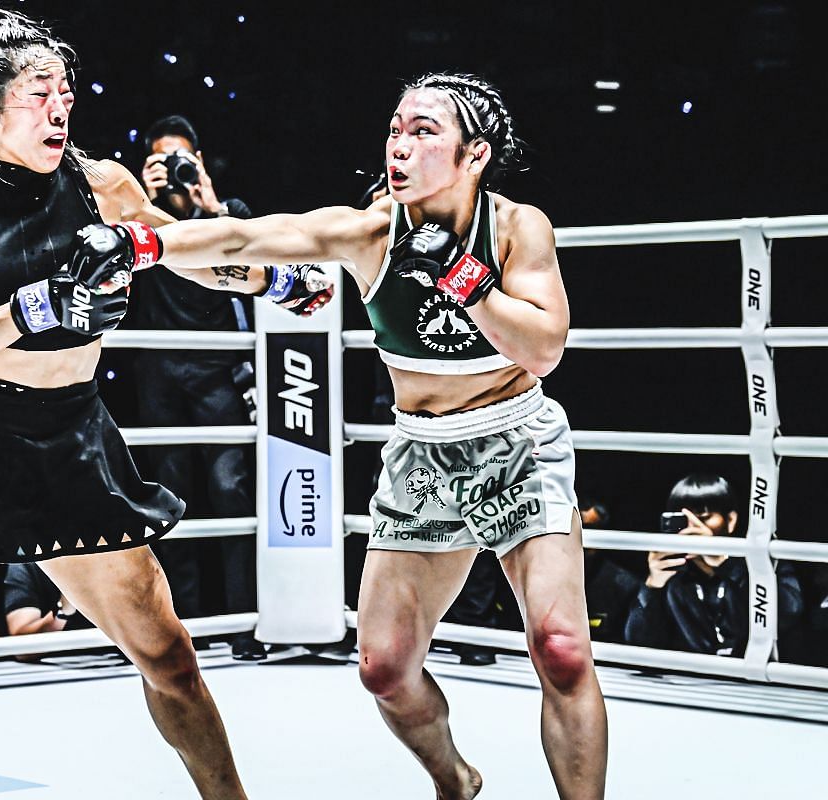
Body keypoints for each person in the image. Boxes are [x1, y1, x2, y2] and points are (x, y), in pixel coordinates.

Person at [0, 5, 330, 799]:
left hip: (71, 443)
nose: (60, 108)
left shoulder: (103, 184)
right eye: (38, 93)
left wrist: (276, 280)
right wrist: (34, 310)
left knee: (170, 660)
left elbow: (185, 259)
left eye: (65, 92)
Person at [74, 72, 604, 799]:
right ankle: (455, 780)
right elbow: (250, 234)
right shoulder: (369, 233)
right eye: (395, 129)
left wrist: (468, 281)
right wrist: (142, 243)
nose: (400, 145)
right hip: (423, 450)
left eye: (424, 132)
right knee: (384, 669)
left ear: (473, 155)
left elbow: (544, 349)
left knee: (563, 649)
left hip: (516, 441)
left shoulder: (517, 228)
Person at [133, 114, 262, 658]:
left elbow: (260, 265)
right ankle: (178, 631)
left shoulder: (227, 216)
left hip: (219, 372)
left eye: (184, 159)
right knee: (169, 501)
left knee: (232, 495)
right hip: (158, 374)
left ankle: (242, 626)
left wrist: (210, 208)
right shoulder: (136, 219)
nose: (177, 170)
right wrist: (144, 197)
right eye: (165, 161)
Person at [624, 474, 802, 656]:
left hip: (753, 677)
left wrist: (725, 563)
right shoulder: (671, 574)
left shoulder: (764, 563)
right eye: (684, 521)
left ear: (730, 521)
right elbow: (639, 643)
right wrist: (653, 587)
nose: (693, 528)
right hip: (690, 679)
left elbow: (789, 614)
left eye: (704, 518)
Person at [577, 497, 637, 644]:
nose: (581, 536)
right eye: (576, 529)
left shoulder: (623, 585)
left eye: (589, 529)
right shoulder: (545, 577)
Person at [4, 562, 91, 635]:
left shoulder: (102, 560)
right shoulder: (26, 564)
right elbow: (23, 649)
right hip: (62, 653)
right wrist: (65, 610)